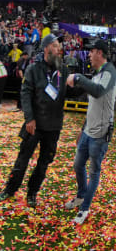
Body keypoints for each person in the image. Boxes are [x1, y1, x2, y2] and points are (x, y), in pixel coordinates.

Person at [0, 34, 69, 207]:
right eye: (55, 46)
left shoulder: (63, 70)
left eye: (59, 46)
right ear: (46, 48)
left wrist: (80, 83)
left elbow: (68, 92)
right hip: (34, 124)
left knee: (44, 163)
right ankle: (9, 189)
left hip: (54, 124)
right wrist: (29, 118)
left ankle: (32, 192)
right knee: (22, 159)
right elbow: (26, 94)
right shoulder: (33, 69)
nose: (59, 49)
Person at [64, 39, 115, 224]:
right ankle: (80, 196)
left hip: (100, 135)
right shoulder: (98, 73)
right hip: (88, 132)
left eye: (91, 51)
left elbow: (98, 91)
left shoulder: (110, 72)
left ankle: (84, 209)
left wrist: (78, 77)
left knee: (94, 172)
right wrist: (82, 128)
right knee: (78, 165)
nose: (88, 55)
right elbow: (93, 105)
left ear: (99, 53)